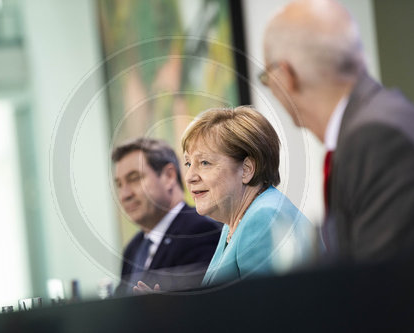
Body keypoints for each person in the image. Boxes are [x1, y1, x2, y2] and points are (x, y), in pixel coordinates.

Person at [262, 0, 414, 262]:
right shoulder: (377, 124)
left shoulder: (376, 140)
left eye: (266, 77)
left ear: (286, 76)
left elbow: (385, 289)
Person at [134, 106, 315, 292]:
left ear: (246, 170)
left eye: (204, 163)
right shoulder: (234, 221)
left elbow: (266, 316)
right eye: (189, 163)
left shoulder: (264, 218)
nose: (189, 176)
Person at [112, 138, 221, 296]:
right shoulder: (133, 248)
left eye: (134, 178)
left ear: (169, 177)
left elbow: (202, 308)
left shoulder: (200, 232)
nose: (124, 194)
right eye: (120, 185)